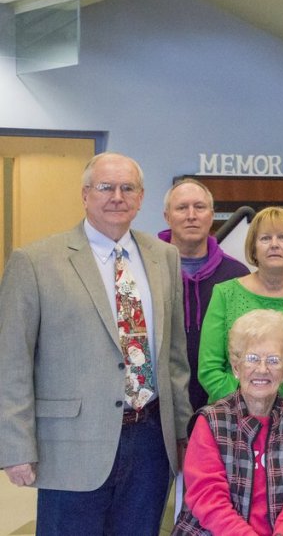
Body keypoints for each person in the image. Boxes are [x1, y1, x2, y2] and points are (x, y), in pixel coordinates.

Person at [0, 152, 191, 535]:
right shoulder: (35, 261)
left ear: (141, 198)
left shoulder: (164, 257)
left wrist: (183, 434)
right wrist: (16, 447)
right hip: (71, 446)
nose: (116, 196)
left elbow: (174, 358)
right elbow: (11, 362)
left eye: (128, 188)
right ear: (85, 194)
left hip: (150, 442)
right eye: (106, 187)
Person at [173, 310, 283, 535]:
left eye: (273, 360)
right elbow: (208, 497)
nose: (262, 369)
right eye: (252, 358)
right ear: (236, 367)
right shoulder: (211, 421)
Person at [198, 206, 283, 403]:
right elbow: (209, 369)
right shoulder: (225, 293)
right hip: (230, 415)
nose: (274, 244)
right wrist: (250, 405)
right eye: (265, 238)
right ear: (254, 248)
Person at [159, 178, 249, 412]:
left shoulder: (237, 275)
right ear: (167, 216)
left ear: (211, 214)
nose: (191, 215)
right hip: (159, 403)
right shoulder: (146, 270)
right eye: (181, 208)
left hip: (221, 404)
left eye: (199, 207)